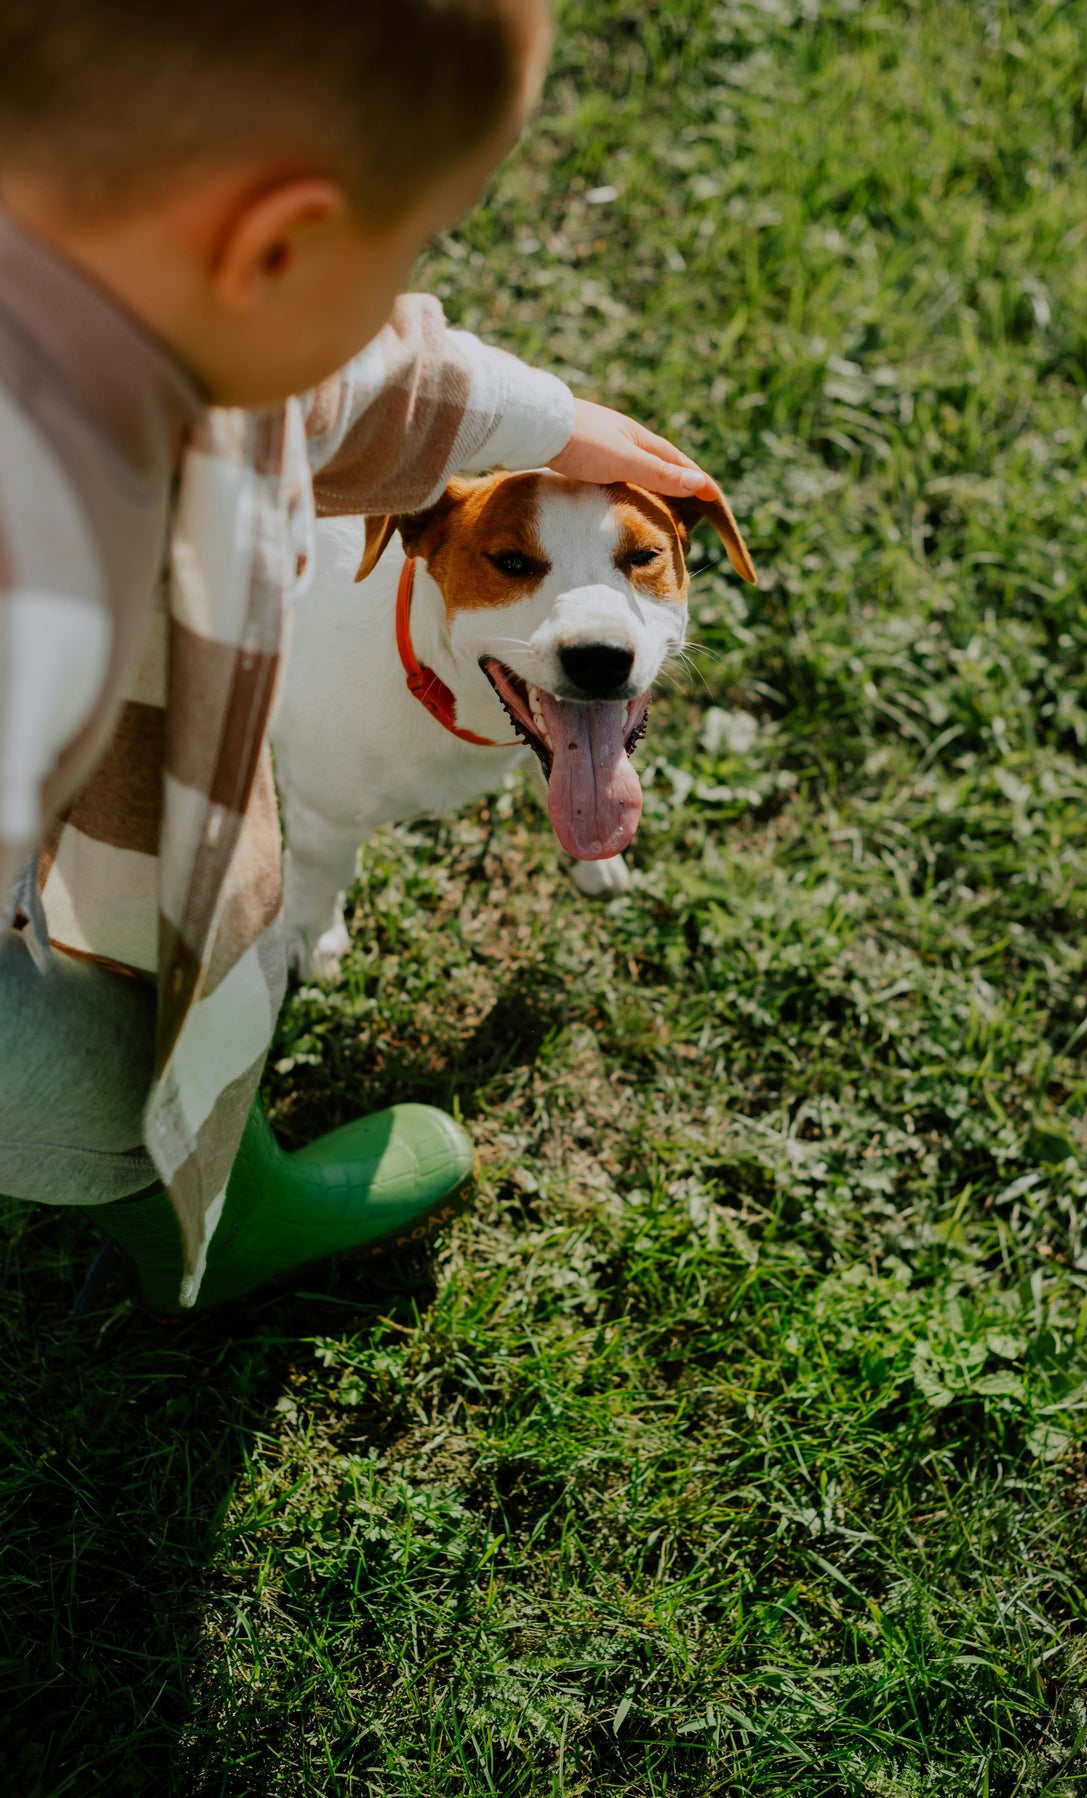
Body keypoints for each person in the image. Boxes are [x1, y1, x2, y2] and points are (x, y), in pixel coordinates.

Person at [0, 0, 720, 1313]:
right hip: (39, 940)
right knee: (110, 1072)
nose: (401, 299)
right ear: (273, 246)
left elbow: (339, 383)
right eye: (409, 252)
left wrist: (554, 418)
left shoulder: (153, 280)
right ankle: (209, 1215)